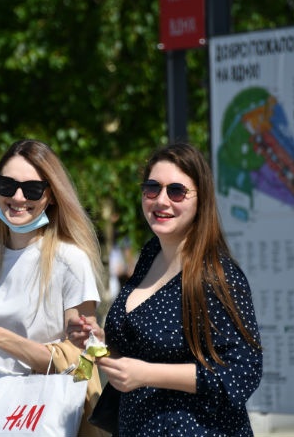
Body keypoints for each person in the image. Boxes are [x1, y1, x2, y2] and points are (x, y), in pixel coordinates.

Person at [84, 143, 263, 436]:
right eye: (152, 188)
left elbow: (243, 372)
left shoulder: (216, 275)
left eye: (176, 191)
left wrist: (147, 375)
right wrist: (98, 342)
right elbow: (136, 349)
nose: (161, 200)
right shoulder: (149, 255)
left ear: (201, 199)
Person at [0, 139, 104, 433]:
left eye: (32, 189)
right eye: (7, 185)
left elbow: (85, 356)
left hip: (52, 411)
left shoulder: (70, 260)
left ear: (51, 195)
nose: (17, 197)